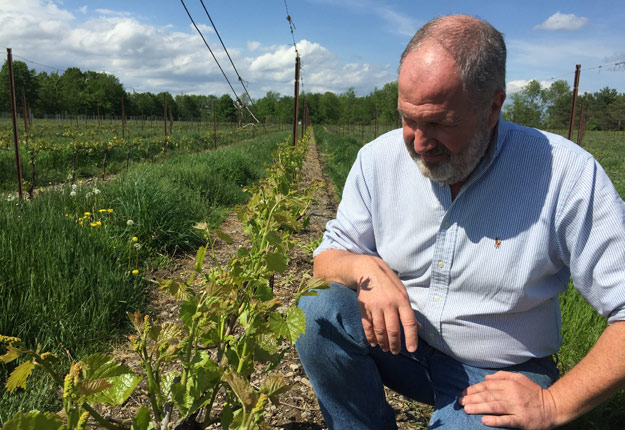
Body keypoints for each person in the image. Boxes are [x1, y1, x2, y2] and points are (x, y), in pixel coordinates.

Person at [295, 14, 625, 429]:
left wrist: (553, 404)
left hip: (498, 373)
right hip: (403, 346)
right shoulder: (377, 160)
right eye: (408, 119)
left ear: (493, 107)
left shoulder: (566, 174)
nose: (419, 142)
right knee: (318, 309)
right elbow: (325, 258)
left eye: (439, 123)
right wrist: (363, 268)